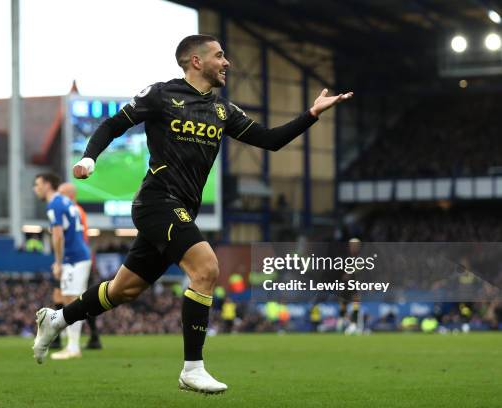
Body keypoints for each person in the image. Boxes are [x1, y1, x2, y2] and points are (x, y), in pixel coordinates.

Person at [33, 34, 352, 393]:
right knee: (206, 268)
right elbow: (113, 124)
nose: (227, 62)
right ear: (196, 61)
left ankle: (57, 319)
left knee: (124, 290)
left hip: (181, 209)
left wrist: (311, 114)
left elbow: (270, 140)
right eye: (220, 55)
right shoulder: (161, 94)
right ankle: (192, 368)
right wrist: (89, 157)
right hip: (157, 202)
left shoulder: (222, 110)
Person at [32, 173, 91, 360]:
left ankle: (73, 347)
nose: (36, 189)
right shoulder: (65, 202)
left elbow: (57, 235)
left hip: (73, 259)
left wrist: (58, 262)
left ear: (48, 185)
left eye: (38, 184)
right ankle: (72, 345)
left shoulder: (54, 205)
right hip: (79, 255)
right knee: (72, 301)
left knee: (71, 302)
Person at [58, 182, 102, 349]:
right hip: (78, 259)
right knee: (74, 297)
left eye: (62, 194)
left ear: (71, 195)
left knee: (75, 298)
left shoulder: (73, 212)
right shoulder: (77, 211)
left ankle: (72, 341)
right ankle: (92, 337)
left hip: (76, 261)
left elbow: (78, 238)